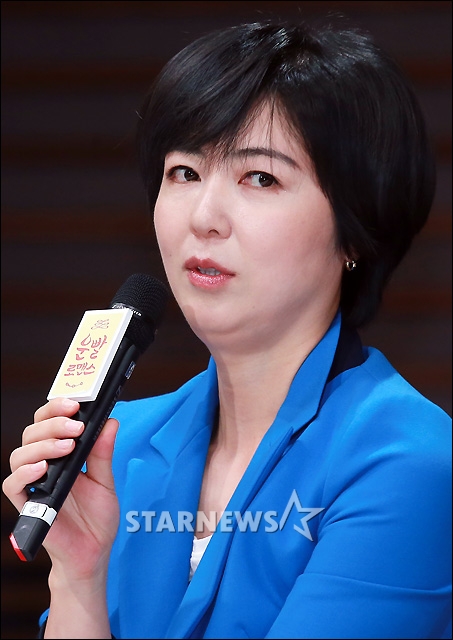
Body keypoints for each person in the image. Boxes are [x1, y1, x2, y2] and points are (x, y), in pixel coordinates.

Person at [2, 16, 451, 640]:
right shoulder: (116, 446)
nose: (204, 216)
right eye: (183, 173)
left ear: (355, 226)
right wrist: (79, 577)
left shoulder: (409, 463)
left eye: (259, 177)